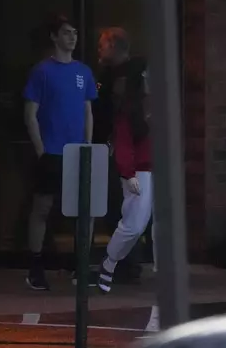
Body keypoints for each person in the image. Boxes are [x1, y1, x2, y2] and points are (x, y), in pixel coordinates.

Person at [24, 15, 97, 290]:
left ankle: (81, 266)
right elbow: (30, 113)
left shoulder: (84, 72)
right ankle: (35, 266)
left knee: (86, 210)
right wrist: (41, 149)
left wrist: (88, 145)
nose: (72, 37)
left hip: (79, 151)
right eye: (67, 33)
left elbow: (88, 110)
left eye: (74, 33)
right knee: (42, 207)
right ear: (54, 37)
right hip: (52, 152)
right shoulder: (42, 71)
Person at [95, 27, 148, 283]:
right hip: (111, 145)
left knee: (127, 208)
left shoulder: (134, 75)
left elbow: (128, 114)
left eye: (103, 45)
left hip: (125, 147)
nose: (99, 50)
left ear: (114, 46)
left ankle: (127, 264)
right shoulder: (107, 74)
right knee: (117, 207)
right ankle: (123, 263)